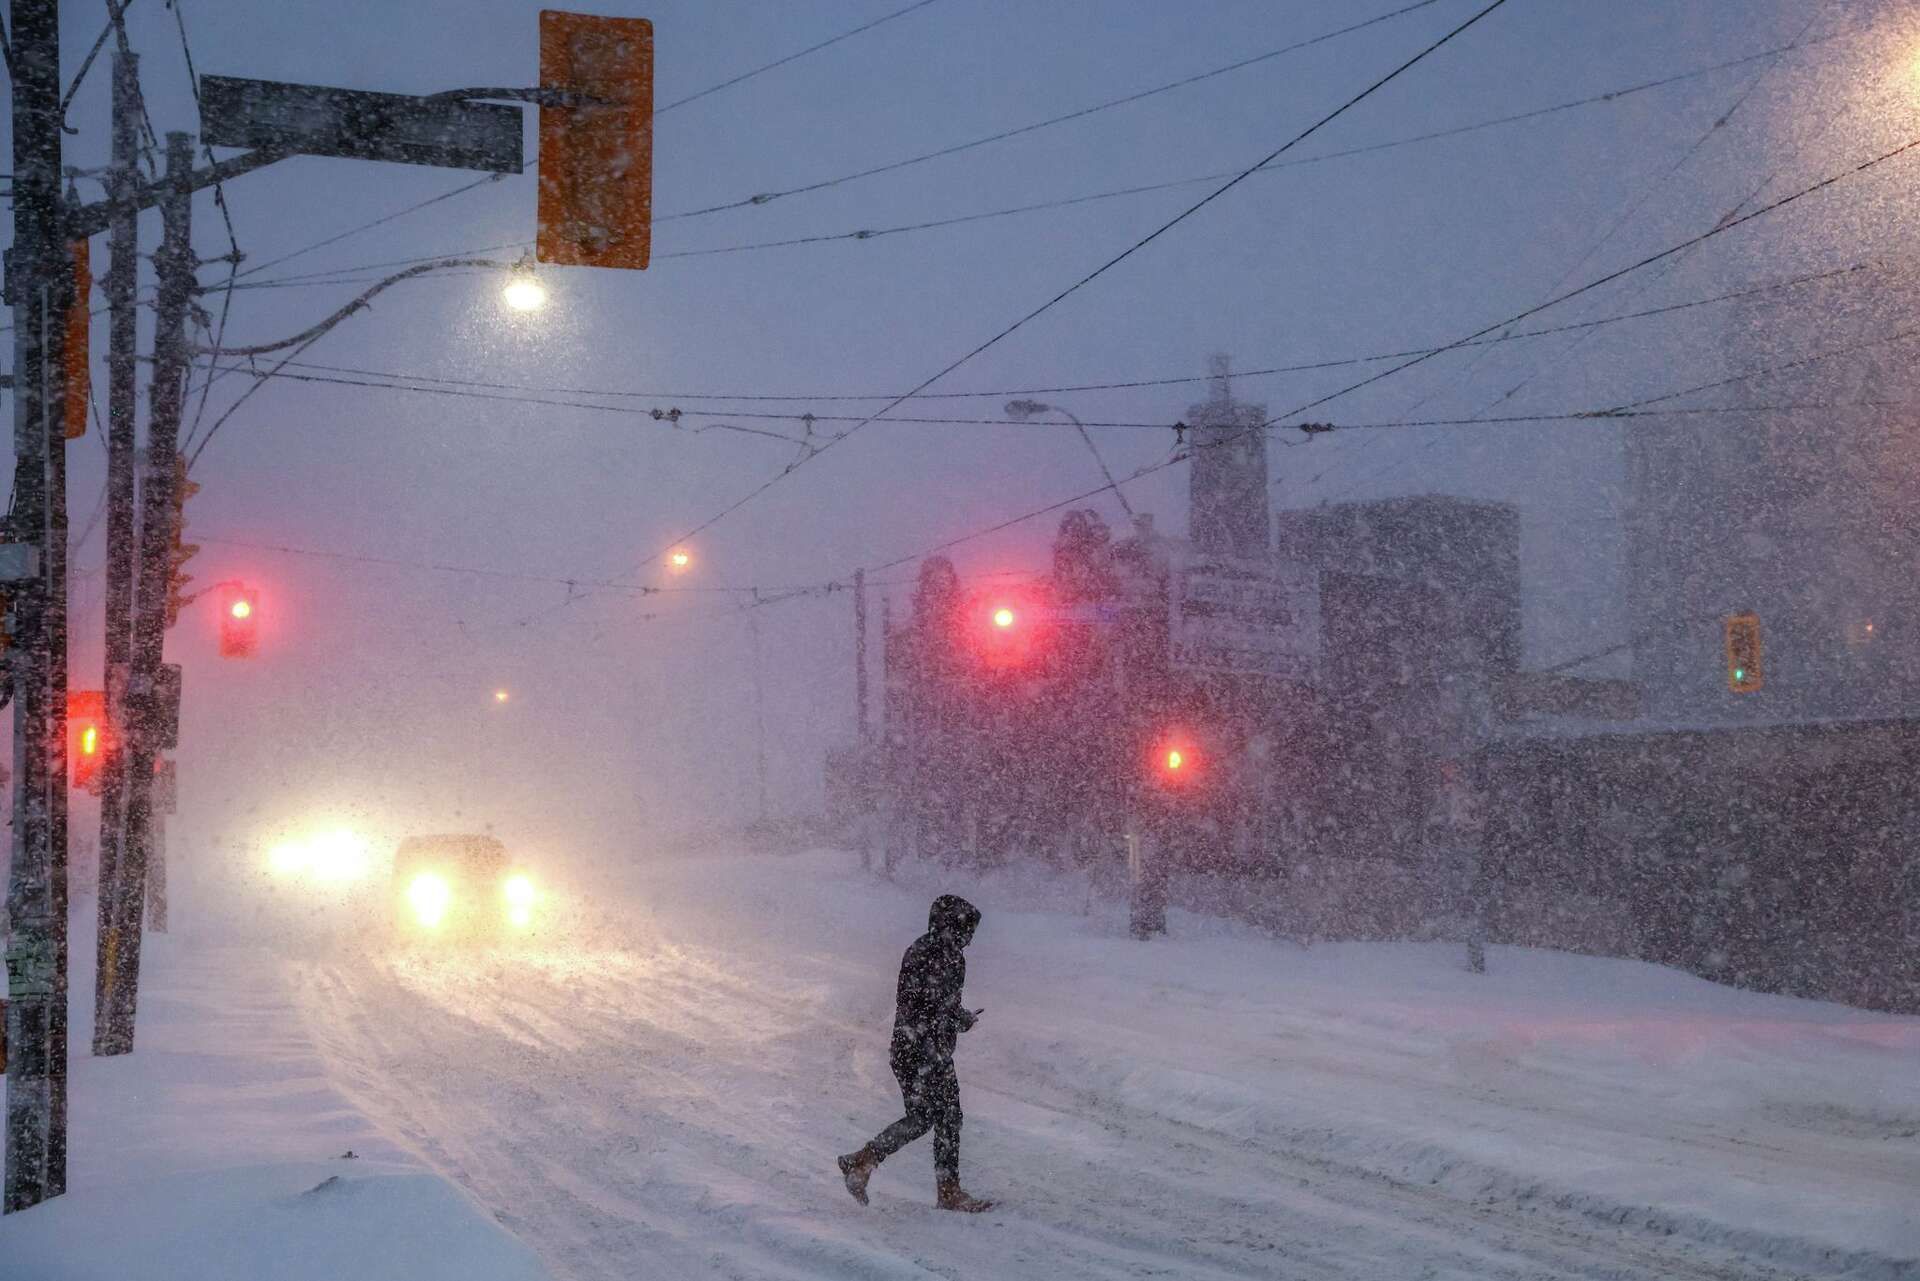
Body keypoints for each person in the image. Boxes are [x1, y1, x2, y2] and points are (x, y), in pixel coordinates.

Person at [838, 894, 993, 1212]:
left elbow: (937, 1004)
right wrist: (958, 1019)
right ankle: (946, 1191)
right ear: (949, 925)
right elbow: (929, 1005)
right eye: (966, 931)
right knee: (941, 1117)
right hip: (921, 1050)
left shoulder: (938, 953)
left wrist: (957, 1017)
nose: (969, 940)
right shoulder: (934, 955)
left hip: (921, 1048)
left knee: (932, 1117)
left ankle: (864, 1161)